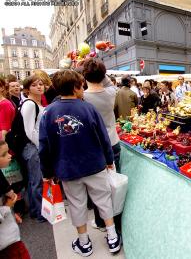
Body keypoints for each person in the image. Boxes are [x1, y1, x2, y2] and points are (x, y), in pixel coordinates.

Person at [39, 70, 121, 256]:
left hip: (67, 169)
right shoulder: (88, 108)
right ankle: (112, 237)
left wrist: (47, 172)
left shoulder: (49, 112)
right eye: (82, 85)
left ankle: (84, 243)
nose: (83, 89)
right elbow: (103, 138)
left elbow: (44, 147)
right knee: (103, 199)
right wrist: (109, 160)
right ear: (76, 88)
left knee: (77, 204)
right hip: (94, 164)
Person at [82, 58, 122, 234]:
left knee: (98, 188)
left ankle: (101, 221)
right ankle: (115, 218)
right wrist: (97, 66)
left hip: (94, 147)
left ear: (84, 76)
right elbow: (107, 80)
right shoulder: (111, 92)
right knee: (114, 184)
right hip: (113, 142)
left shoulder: (82, 98)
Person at [19, 75, 46, 222]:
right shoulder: (29, 104)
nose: (39, 87)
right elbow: (30, 131)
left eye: (41, 84)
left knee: (35, 180)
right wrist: (41, 146)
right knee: (36, 181)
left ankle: (37, 211)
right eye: (35, 85)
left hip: (34, 145)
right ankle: (40, 213)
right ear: (28, 88)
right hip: (32, 146)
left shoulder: (36, 103)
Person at [0, 141, 31, 259]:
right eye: (3, 154)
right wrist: (8, 208)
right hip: (7, 244)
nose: (9, 155)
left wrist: (11, 215)